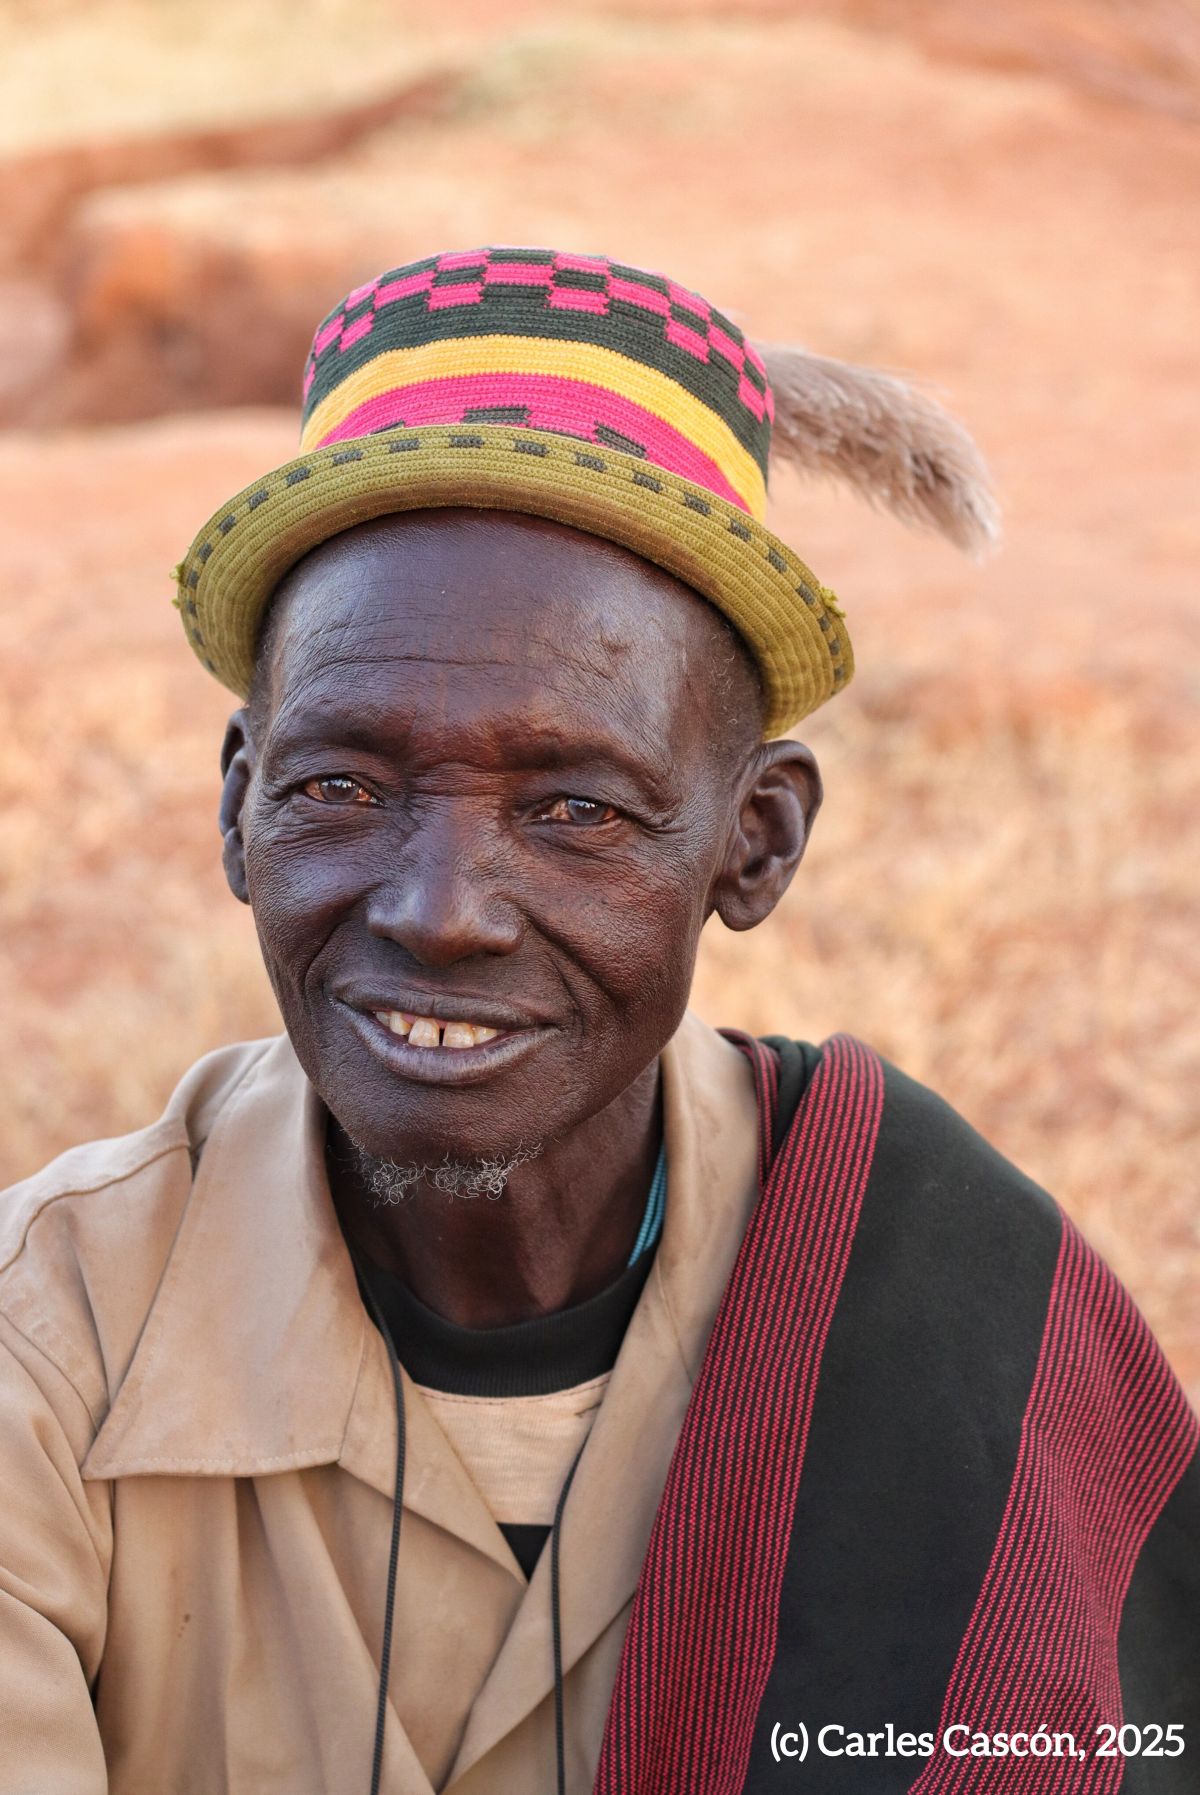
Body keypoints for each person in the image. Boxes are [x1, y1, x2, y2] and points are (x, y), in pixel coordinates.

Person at [0, 247, 1195, 1795]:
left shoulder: (956, 1313)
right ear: (239, 809)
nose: (440, 911)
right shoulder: (46, 1351)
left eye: (574, 808)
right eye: (341, 786)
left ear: (755, 845)